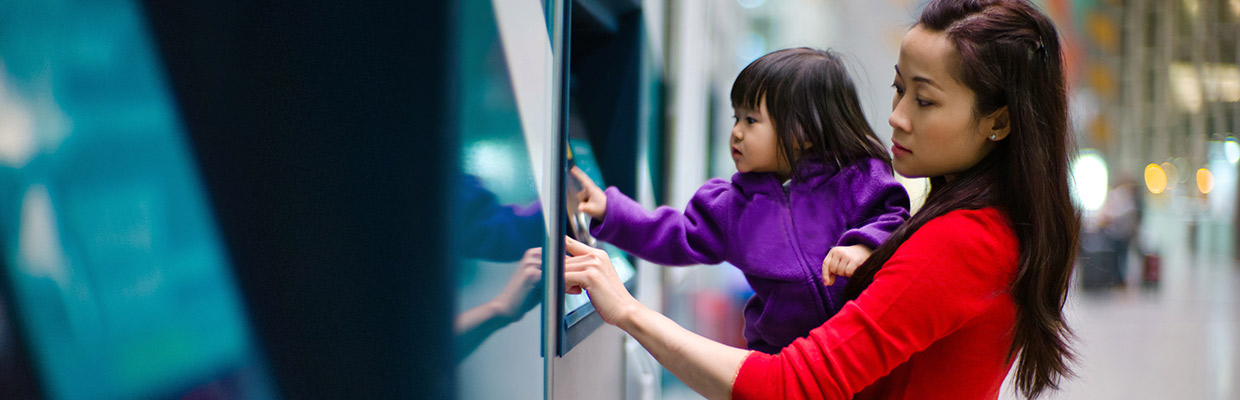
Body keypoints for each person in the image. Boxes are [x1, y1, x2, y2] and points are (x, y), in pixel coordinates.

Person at [563, 0, 1079, 399]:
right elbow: (679, 232)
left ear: (999, 122)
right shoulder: (984, 225)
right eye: (899, 90)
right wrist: (611, 214)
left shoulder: (961, 240)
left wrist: (628, 311)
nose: (897, 116)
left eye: (924, 100)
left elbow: (791, 387)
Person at [571, 47, 910, 353]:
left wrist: (864, 247)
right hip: (779, 358)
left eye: (751, 120)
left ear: (805, 133)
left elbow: (893, 218)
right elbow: (677, 235)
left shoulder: (856, 178)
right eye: (736, 117)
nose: (736, 131)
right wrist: (611, 211)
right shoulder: (733, 206)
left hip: (855, 352)